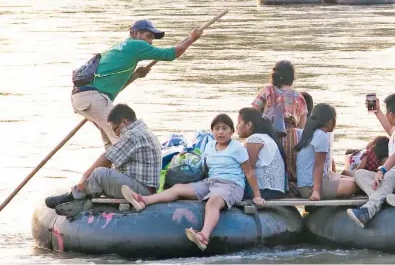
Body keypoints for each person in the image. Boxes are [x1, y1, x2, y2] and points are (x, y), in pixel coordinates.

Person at [120, 114, 265, 251]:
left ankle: (203, 236)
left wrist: (257, 196)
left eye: (224, 128)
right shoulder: (209, 146)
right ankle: (143, 200)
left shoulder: (237, 148)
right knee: (177, 188)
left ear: (232, 131)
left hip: (231, 184)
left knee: (213, 202)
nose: (220, 132)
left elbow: (249, 172)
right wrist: (197, 186)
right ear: (212, 131)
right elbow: (206, 170)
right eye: (217, 128)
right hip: (210, 182)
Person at [72, 20, 202, 149]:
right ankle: (127, 169)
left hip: (81, 97)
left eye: (152, 38)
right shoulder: (136, 45)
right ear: (133, 33)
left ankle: (110, 169)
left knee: (112, 144)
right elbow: (170, 54)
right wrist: (192, 39)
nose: (150, 42)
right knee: (124, 139)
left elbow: (115, 77)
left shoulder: (123, 46)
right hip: (93, 96)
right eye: (148, 36)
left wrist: (136, 74)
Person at [44, 104, 162, 217]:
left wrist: (85, 176)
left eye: (115, 129)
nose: (116, 133)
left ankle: (75, 196)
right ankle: (84, 196)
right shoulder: (143, 131)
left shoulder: (133, 135)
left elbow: (106, 158)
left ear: (124, 122)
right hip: (145, 188)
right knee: (105, 171)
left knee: (99, 173)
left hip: (140, 190)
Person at [347, 94, 395, 228]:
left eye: (387, 112)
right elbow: (388, 128)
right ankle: (386, 198)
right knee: (360, 174)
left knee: (389, 175)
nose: (386, 115)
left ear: (391, 114)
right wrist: (377, 111)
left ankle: (367, 211)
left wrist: (382, 169)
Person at [252, 60, 308, 182]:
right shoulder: (299, 97)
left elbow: (253, 113)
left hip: (269, 135)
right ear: (292, 77)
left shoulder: (267, 90)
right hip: (292, 137)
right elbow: (301, 126)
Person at [295, 103, 358, 200]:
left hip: (309, 183)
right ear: (331, 121)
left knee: (353, 178)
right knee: (356, 185)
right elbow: (318, 165)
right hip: (310, 188)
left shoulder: (312, 133)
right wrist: (316, 191)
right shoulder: (321, 136)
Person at [237, 108, 288, 199]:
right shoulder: (267, 137)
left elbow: (247, 168)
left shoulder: (254, 139)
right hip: (276, 191)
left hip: (264, 191)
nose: (237, 126)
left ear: (249, 125)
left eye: (239, 122)